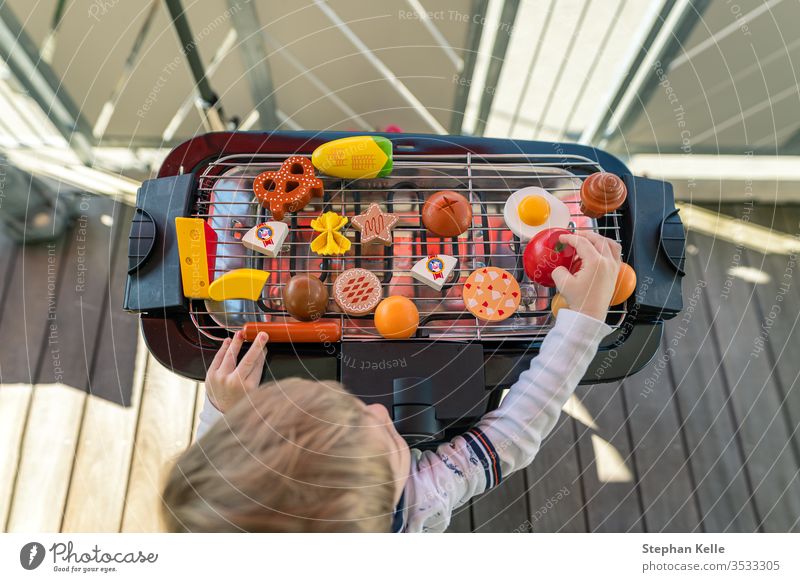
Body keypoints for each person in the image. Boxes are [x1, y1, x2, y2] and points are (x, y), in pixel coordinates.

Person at [161, 231, 621, 532]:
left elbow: (217, 480)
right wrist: (585, 318)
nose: (380, 410)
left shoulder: (222, 520)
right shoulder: (417, 507)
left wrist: (224, 411)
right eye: (384, 436)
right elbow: (512, 436)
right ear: (389, 497)